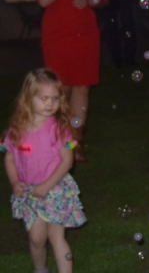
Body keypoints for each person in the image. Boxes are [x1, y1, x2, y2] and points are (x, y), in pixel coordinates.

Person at [2, 69, 87, 273]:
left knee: (56, 236)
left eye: (55, 98)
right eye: (44, 98)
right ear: (28, 98)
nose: (50, 104)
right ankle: (40, 270)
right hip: (30, 192)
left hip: (56, 189)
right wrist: (14, 182)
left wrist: (47, 185)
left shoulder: (58, 129)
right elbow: (10, 157)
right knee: (36, 238)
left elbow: (67, 160)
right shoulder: (16, 130)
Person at [33, 0, 104, 163]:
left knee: (81, 89)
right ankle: (55, 143)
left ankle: (75, 144)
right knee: (58, 90)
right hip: (57, 37)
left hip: (85, 35)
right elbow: (44, 0)